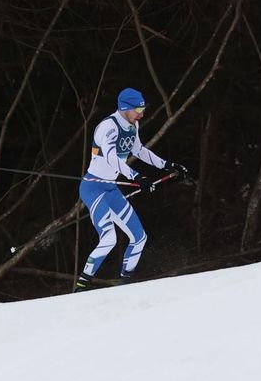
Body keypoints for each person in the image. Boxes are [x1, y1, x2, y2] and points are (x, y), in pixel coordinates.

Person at [74, 88, 189, 291]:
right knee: (109, 238)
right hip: (93, 188)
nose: (141, 115)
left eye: (143, 109)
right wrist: (136, 176)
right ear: (125, 108)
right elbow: (111, 158)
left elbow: (139, 150)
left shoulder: (132, 125)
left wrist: (167, 165)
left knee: (139, 238)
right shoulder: (107, 127)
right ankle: (81, 286)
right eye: (138, 110)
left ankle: (125, 284)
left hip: (111, 188)